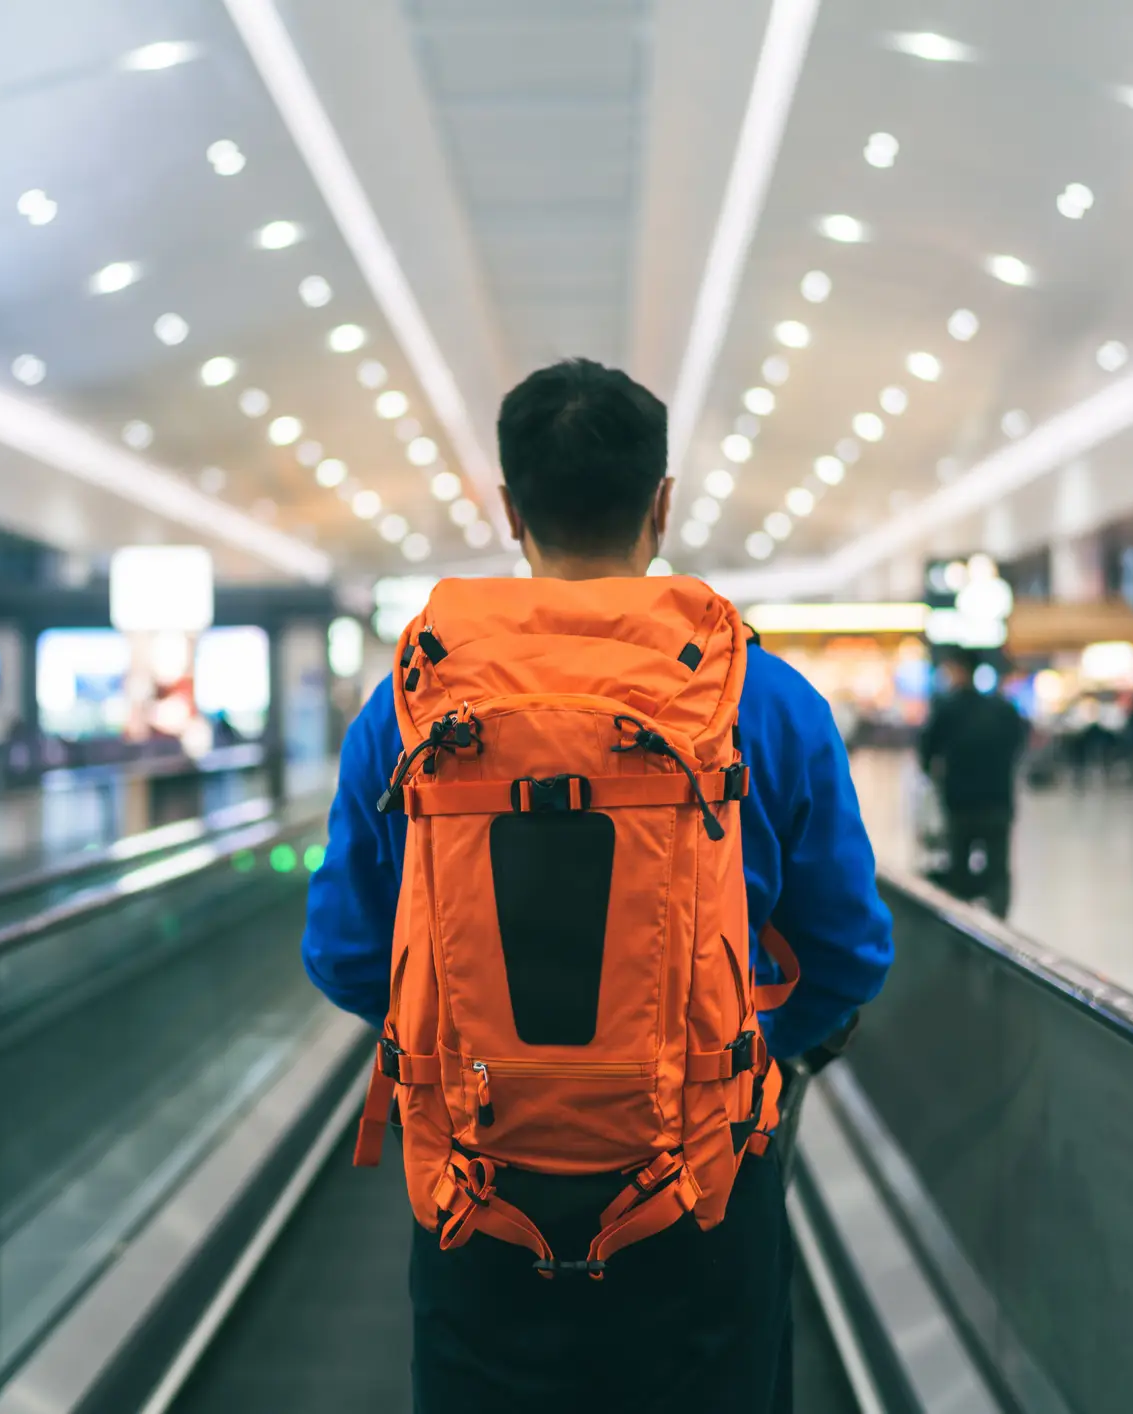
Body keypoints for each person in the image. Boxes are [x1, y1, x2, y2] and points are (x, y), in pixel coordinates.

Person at [302, 358, 894, 1414]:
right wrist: (731, 1051)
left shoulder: (408, 706)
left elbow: (345, 954)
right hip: (703, 1193)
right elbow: (850, 951)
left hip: (476, 1197)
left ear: (508, 508)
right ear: (661, 505)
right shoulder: (765, 698)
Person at [918, 647, 1029, 916]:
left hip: (960, 802)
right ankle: (1000, 927)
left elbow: (926, 753)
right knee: (998, 868)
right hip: (998, 800)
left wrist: (937, 776)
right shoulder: (1003, 709)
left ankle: (961, 927)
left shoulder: (947, 710)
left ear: (958, 669)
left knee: (958, 866)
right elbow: (1019, 743)